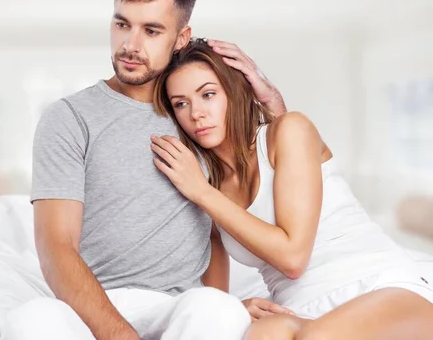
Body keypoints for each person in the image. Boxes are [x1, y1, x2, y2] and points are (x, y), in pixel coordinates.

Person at [5, 0, 290, 340]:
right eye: (122, 23)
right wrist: (120, 334)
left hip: (176, 307)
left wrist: (272, 100)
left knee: (217, 308)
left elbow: (230, 216)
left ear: (181, 38)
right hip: (89, 307)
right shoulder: (69, 118)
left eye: (152, 30)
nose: (130, 44)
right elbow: (57, 246)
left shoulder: (198, 117)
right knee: (30, 320)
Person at [151, 37, 433, 339]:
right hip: (297, 310)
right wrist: (237, 306)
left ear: (235, 92)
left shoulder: (289, 130)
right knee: (263, 334)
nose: (196, 113)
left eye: (208, 94)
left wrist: (202, 193)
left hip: (377, 285)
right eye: (181, 103)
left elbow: (293, 259)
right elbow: (214, 301)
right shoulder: (205, 188)